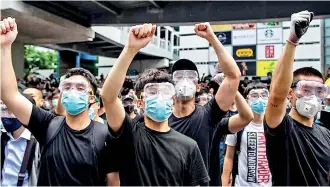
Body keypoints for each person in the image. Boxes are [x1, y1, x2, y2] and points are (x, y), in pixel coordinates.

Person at [0, 17, 118, 186]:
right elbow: (9, 95)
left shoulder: (105, 135)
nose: (72, 91)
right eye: (68, 86)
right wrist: (5, 46)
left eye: (80, 88)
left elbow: (114, 182)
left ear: (92, 98)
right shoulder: (48, 124)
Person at [101, 23, 209, 186]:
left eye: (165, 91)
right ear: (140, 102)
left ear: (173, 99)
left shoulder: (189, 146)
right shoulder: (129, 134)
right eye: (152, 92)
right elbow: (108, 97)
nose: (160, 97)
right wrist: (130, 49)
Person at [169, 22, 253, 186]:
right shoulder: (160, 120)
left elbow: (233, 76)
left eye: (191, 76)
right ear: (170, 84)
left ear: (198, 85)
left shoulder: (208, 115)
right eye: (179, 76)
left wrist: (211, 38)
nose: (185, 81)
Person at [265, 11, 330, 186]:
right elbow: (276, 95)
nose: (312, 97)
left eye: (319, 91)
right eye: (306, 89)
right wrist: (292, 41)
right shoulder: (280, 127)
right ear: (290, 92)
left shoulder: (326, 135)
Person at [222, 83, 272, 187]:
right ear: (246, 101)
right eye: (254, 96)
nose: (259, 99)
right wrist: (225, 182)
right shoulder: (237, 124)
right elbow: (229, 157)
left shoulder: (276, 126)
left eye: (263, 95)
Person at [0, 95, 39, 187]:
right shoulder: (2, 137)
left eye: (11, 111)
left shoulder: (38, 143)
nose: (5, 115)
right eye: (3, 110)